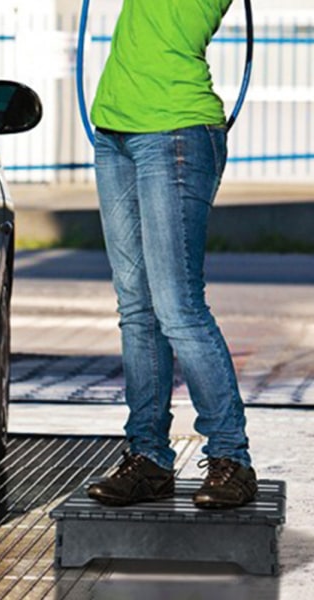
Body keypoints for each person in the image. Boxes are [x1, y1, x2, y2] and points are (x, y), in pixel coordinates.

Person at [86, 0, 258, 509]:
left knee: (177, 307)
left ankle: (231, 458)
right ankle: (150, 458)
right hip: (115, 131)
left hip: (177, 133)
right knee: (137, 310)